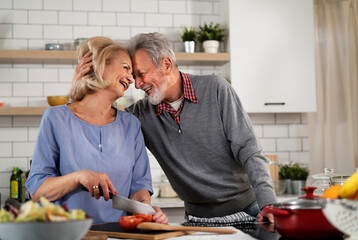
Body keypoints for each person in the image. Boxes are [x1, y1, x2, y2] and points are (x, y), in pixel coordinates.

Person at [74, 33, 276, 224]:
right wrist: (79, 88)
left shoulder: (215, 89)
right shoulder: (140, 114)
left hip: (249, 211)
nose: (137, 84)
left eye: (141, 74)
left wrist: (268, 203)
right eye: (134, 75)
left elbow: (249, 150)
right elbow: (95, 120)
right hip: (196, 219)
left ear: (166, 64)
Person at [26, 36, 168, 224]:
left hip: (118, 235)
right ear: (100, 64)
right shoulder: (56, 118)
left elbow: (139, 188)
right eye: (126, 68)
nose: (131, 79)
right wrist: (79, 177)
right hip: (69, 235)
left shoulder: (131, 125)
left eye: (132, 73)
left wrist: (147, 209)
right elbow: (37, 191)